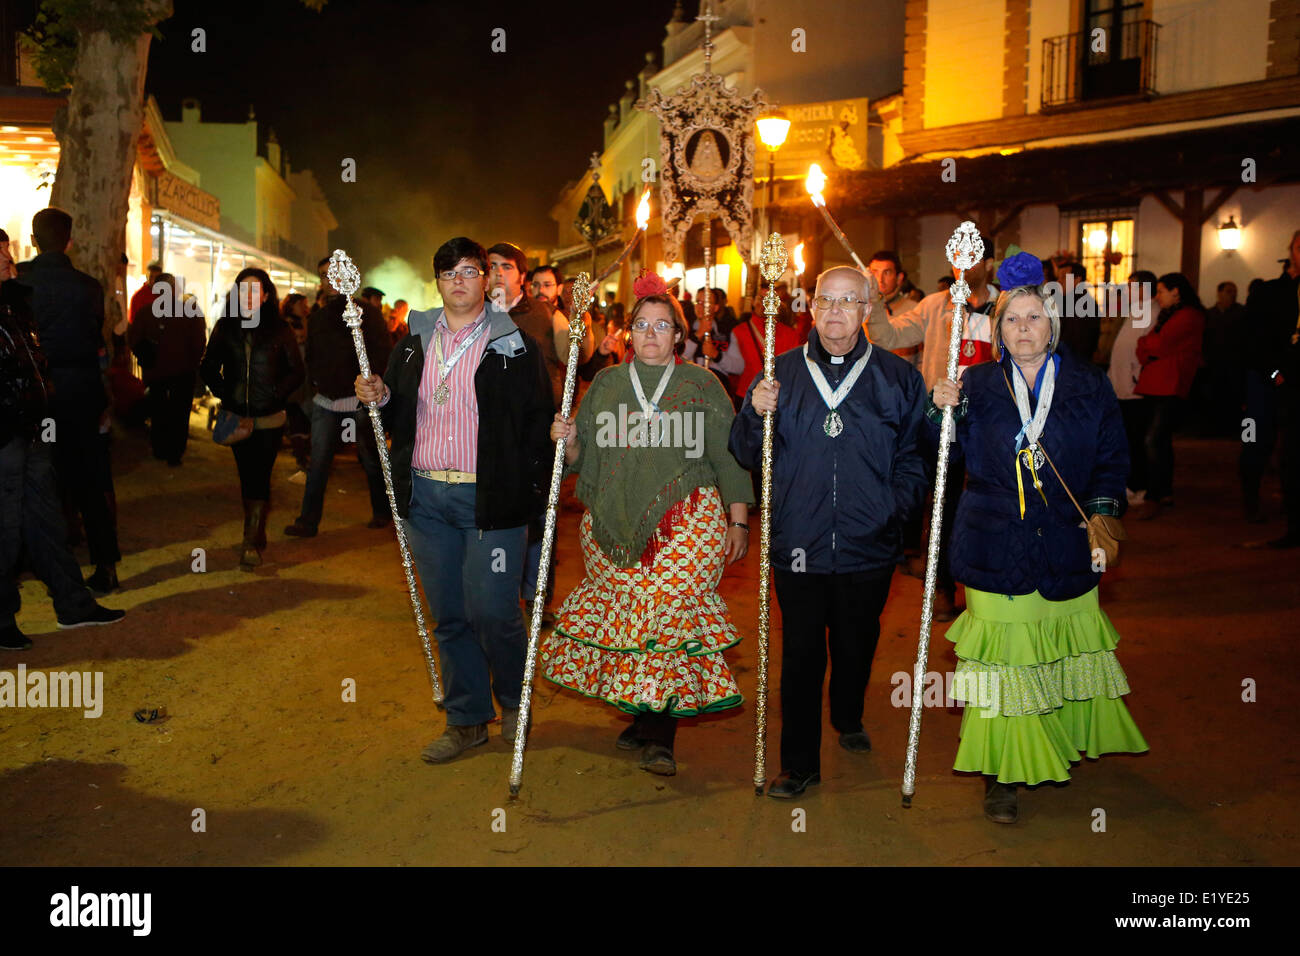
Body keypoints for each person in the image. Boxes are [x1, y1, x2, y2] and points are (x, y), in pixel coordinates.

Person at [930, 251, 1147, 824]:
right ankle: (1002, 774)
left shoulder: (1087, 382)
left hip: (1067, 541)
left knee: (1056, 654)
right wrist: (938, 412)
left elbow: (1111, 459)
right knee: (1005, 667)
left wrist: (1100, 516)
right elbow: (937, 454)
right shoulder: (975, 382)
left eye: (1033, 317)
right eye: (1011, 319)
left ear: (1052, 322)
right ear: (996, 329)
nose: (1022, 329)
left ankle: (1054, 745)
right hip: (993, 539)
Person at [730, 265, 928, 798]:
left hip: (870, 544)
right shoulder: (778, 373)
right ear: (811, 308)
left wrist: (892, 508)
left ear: (867, 311)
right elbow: (746, 452)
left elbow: (916, 457)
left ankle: (848, 712)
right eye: (825, 301)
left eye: (848, 302)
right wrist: (754, 412)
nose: (835, 312)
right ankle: (799, 764)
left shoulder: (899, 378)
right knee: (800, 653)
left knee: (856, 642)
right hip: (798, 543)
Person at [354, 237, 554, 763]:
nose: (459, 281)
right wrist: (380, 395)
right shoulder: (414, 342)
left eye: (470, 271)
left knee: (492, 611)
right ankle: (467, 719)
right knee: (449, 614)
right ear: (437, 281)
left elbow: (537, 421)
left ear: (486, 279)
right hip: (428, 497)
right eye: (449, 273)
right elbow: (398, 406)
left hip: (490, 500)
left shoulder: (513, 344)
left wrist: (535, 483)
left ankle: (513, 700)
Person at [543, 274, 753, 775]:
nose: (652, 334)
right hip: (610, 526)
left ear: (679, 336)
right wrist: (566, 438)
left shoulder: (703, 384)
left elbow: (728, 456)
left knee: (665, 622)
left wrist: (738, 519)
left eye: (663, 326)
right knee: (631, 624)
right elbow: (581, 458)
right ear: (629, 333)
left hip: (688, 524)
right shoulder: (608, 384)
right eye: (642, 325)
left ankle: (661, 735)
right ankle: (642, 714)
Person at [1, 230, 125, 650]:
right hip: (10, 430)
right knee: (9, 522)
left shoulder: (19, 299)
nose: (8, 257)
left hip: (35, 423)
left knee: (46, 516)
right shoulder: (79, 288)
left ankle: (73, 603)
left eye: (7, 248)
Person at [866, 233, 998, 621]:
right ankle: (941, 588)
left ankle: (989, 588)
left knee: (992, 507)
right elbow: (888, 336)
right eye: (957, 258)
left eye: (971, 258)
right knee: (943, 507)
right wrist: (873, 301)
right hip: (945, 424)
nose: (963, 266)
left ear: (987, 262)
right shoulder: (935, 306)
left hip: (994, 426)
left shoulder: (1006, 306)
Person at [199, 268, 305, 570]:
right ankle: (255, 531)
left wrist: (275, 393)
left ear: (266, 295)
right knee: (247, 476)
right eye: (243, 289)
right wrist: (226, 394)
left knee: (259, 474)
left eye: (255, 290)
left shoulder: (280, 329)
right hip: (236, 418)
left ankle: (250, 539)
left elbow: (297, 371)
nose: (248, 296)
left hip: (269, 419)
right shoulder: (225, 327)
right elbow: (207, 366)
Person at [283, 282, 391, 537]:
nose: (331, 282)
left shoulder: (367, 314)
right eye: (326, 276)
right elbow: (312, 354)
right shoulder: (318, 317)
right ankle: (307, 521)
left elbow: (382, 350)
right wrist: (318, 383)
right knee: (318, 463)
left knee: (371, 460)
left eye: (336, 276)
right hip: (327, 401)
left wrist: (369, 383)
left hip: (360, 401)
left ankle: (383, 512)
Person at [1242, 230, 1300, 546]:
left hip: (1293, 384)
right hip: (1266, 381)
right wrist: (1274, 372)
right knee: (1257, 439)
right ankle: (1251, 498)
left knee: (1291, 450)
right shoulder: (1270, 292)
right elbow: (1254, 339)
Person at [1131, 272, 1205, 520]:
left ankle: (1154, 494)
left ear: (1177, 292)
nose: (1158, 296)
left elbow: (1158, 344)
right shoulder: (1168, 315)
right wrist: (1148, 345)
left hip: (1170, 384)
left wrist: (1149, 345)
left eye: (1161, 291)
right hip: (1156, 383)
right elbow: (1144, 346)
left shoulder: (1188, 316)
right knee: (1159, 440)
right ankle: (1164, 492)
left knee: (1153, 439)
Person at [127, 273, 206, 466]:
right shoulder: (190, 311)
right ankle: (175, 453)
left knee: (159, 411)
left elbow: (134, 340)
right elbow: (199, 342)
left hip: (156, 373)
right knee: (180, 413)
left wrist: (146, 359)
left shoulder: (146, 313)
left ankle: (160, 448)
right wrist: (193, 362)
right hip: (184, 372)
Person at [1107, 270, 1155, 502]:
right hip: (1120, 385)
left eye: (1132, 287)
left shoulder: (1152, 312)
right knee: (1123, 438)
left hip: (1136, 390)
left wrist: (1136, 377)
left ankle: (1141, 485)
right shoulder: (1132, 313)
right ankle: (1129, 482)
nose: (1127, 291)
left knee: (1136, 439)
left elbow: (1144, 350)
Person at [868, 250, 922, 368]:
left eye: (886, 273)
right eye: (874, 272)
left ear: (899, 278)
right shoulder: (861, 309)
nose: (880, 279)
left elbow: (923, 358)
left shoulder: (915, 310)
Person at [280, 293, 313, 474]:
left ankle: (303, 454)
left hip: (306, 375)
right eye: (301, 304)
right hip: (292, 373)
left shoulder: (305, 320)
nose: (304, 307)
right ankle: (300, 455)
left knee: (305, 415)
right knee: (296, 414)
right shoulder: (286, 323)